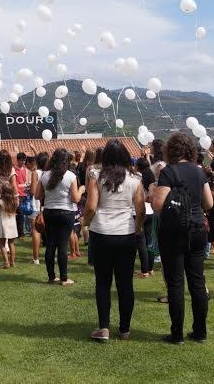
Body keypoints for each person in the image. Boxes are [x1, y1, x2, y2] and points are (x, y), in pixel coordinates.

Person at [151, 132, 213, 344]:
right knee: (197, 282)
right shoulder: (198, 171)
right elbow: (209, 204)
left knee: (175, 283)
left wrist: (155, 194)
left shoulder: (169, 172)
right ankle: (200, 332)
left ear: (171, 150)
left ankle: (176, 333)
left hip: (174, 232)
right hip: (197, 229)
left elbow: (158, 205)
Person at [83, 140, 144, 341]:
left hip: (101, 232)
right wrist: (136, 229)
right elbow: (140, 209)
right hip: (126, 233)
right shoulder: (136, 178)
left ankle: (104, 327)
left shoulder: (96, 176)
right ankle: (125, 329)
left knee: (103, 282)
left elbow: (91, 206)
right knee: (125, 283)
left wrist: (85, 222)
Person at [36, 148, 84, 286]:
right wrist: (81, 190)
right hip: (66, 213)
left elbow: (37, 195)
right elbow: (75, 199)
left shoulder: (45, 175)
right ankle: (64, 278)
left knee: (50, 245)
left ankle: (51, 277)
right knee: (62, 246)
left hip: (49, 212)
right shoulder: (70, 176)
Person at [134, 157, 156, 277]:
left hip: (140, 211)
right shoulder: (150, 177)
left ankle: (144, 270)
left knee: (141, 243)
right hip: (150, 211)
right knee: (149, 241)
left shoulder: (137, 178)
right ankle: (150, 268)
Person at [28, 151, 49, 265]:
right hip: (49, 204)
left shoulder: (35, 173)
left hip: (37, 204)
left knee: (35, 231)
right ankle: (51, 255)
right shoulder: (51, 173)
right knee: (50, 231)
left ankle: (36, 258)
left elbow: (33, 191)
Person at [0, 184, 19, 269]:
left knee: (2, 244)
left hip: (3, 224)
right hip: (12, 224)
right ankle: (12, 262)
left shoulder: (0, 202)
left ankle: (6, 262)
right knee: (11, 243)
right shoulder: (14, 201)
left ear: (2, 192)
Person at [14, 152, 30, 240]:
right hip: (17, 195)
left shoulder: (25, 170)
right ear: (17, 160)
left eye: (24, 161)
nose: (23, 162)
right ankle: (20, 234)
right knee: (20, 215)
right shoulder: (13, 170)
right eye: (21, 161)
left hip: (25, 195)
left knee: (25, 214)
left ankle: (23, 232)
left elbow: (26, 181)